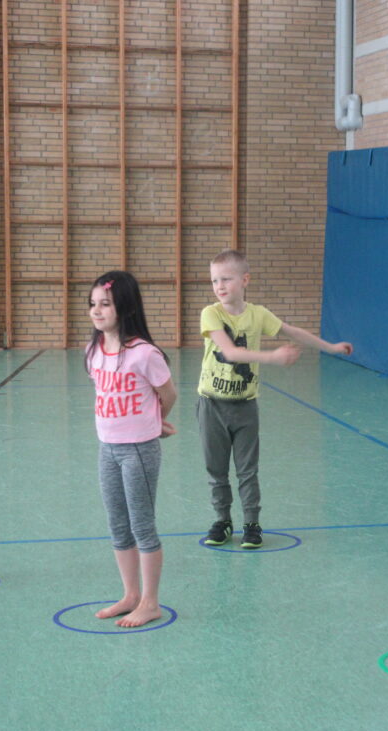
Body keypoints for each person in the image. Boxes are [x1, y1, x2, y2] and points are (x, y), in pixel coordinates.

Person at [198, 249, 353, 548]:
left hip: (245, 406)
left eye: (226, 279)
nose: (219, 286)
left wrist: (330, 347)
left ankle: (251, 523)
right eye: (215, 280)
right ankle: (222, 520)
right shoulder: (211, 313)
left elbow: (292, 332)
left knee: (247, 470)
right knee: (216, 470)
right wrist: (272, 357)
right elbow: (229, 352)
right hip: (211, 405)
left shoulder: (258, 314)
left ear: (245, 280)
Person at [86, 271, 177, 628]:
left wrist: (155, 422)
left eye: (105, 304)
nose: (96, 310)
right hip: (106, 449)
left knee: (142, 525)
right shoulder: (94, 350)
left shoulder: (145, 353)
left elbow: (168, 394)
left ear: (125, 307)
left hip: (138, 451)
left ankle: (151, 602)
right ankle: (130, 594)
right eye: (93, 304)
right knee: (117, 525)